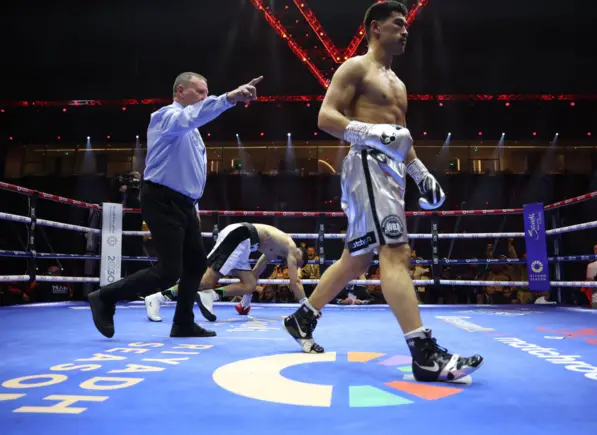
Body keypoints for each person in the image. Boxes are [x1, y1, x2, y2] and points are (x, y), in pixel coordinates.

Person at [283, 1, 483, 383]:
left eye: (406, 24)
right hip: (367, 165)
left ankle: (302, 317)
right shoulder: (356, 67)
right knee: (395, 251)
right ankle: (423, 353)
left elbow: (402, 136)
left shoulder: (398, 83)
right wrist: (374, 133)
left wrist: (421, 173)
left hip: (391, 171)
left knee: (356, 259)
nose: (406, 30)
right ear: (375, 28)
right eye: (398, 24)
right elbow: (325, 117)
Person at [88, 72, 263, 338]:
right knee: (169, 271)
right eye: (199, 92)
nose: (204, 97)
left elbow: (188, 173)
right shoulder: (166, 117)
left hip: (184, 204)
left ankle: (182, 323)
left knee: (195, 266)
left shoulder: (192, 133)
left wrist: (194, 207)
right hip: (162, 198)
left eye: (207, 93)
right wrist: (229, 98)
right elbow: (191, 116)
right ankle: (105, 297)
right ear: (180, 91)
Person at [143, 223, 308, 322]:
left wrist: (245, 304)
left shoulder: (276, 251)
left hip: (245, 244)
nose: (292, 264)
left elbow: (257, 271)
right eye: (296, 263)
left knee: (250, 283)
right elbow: (295, 282)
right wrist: (307, 307)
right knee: (206, 281)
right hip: (239, 236)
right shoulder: (291, 248)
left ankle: (211, 295)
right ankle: (157, 298)